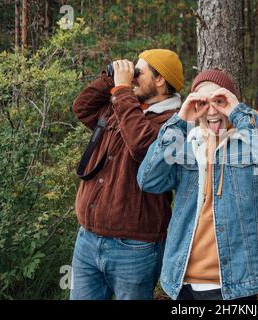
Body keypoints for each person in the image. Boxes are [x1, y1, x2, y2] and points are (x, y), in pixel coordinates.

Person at [137, 69, 258, 300]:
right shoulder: (185, 144)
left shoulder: (251, 143)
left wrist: (241, 115)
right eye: (202, 102)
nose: (212, 110)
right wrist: (179, 121)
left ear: (232, 103)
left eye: (220, 101)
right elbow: (148, 179)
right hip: (183, 282)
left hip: (235, 283)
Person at [70, 49, 184, 300]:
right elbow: (81, 108)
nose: (131, 78)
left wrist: (121, 92)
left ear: (160, 80)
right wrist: (110, 79)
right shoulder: (125, 106)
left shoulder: (174, 122)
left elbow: (142, 146)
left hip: (133, 248)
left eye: (138, 73)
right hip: (88, 238)